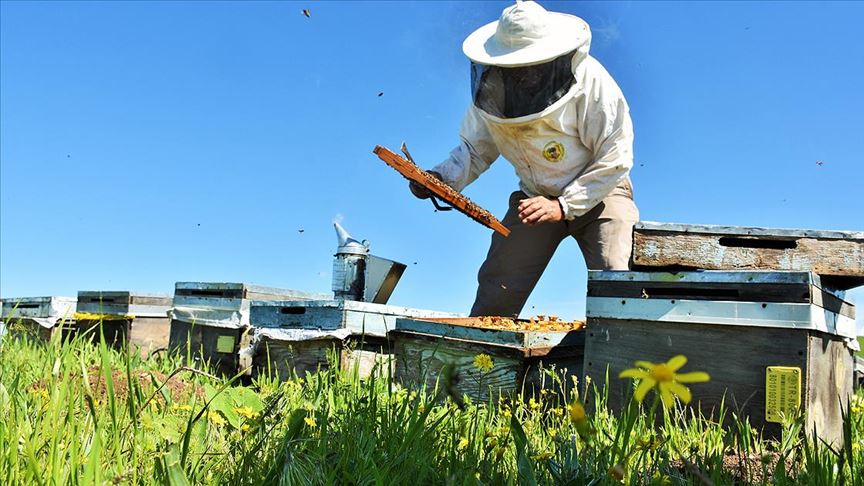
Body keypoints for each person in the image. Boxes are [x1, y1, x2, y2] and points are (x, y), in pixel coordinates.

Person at [410, 0, 639, 318]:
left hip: (600, 190)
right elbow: (475, 149)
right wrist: (440, 179)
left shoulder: (594, 85)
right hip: (535, 200)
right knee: (497, 292)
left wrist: (563, 207)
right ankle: (481, 365)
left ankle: (627, 365)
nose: (524, 77)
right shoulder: (490, 94)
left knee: (618, 283)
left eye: (530, 68)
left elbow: (615, 156)